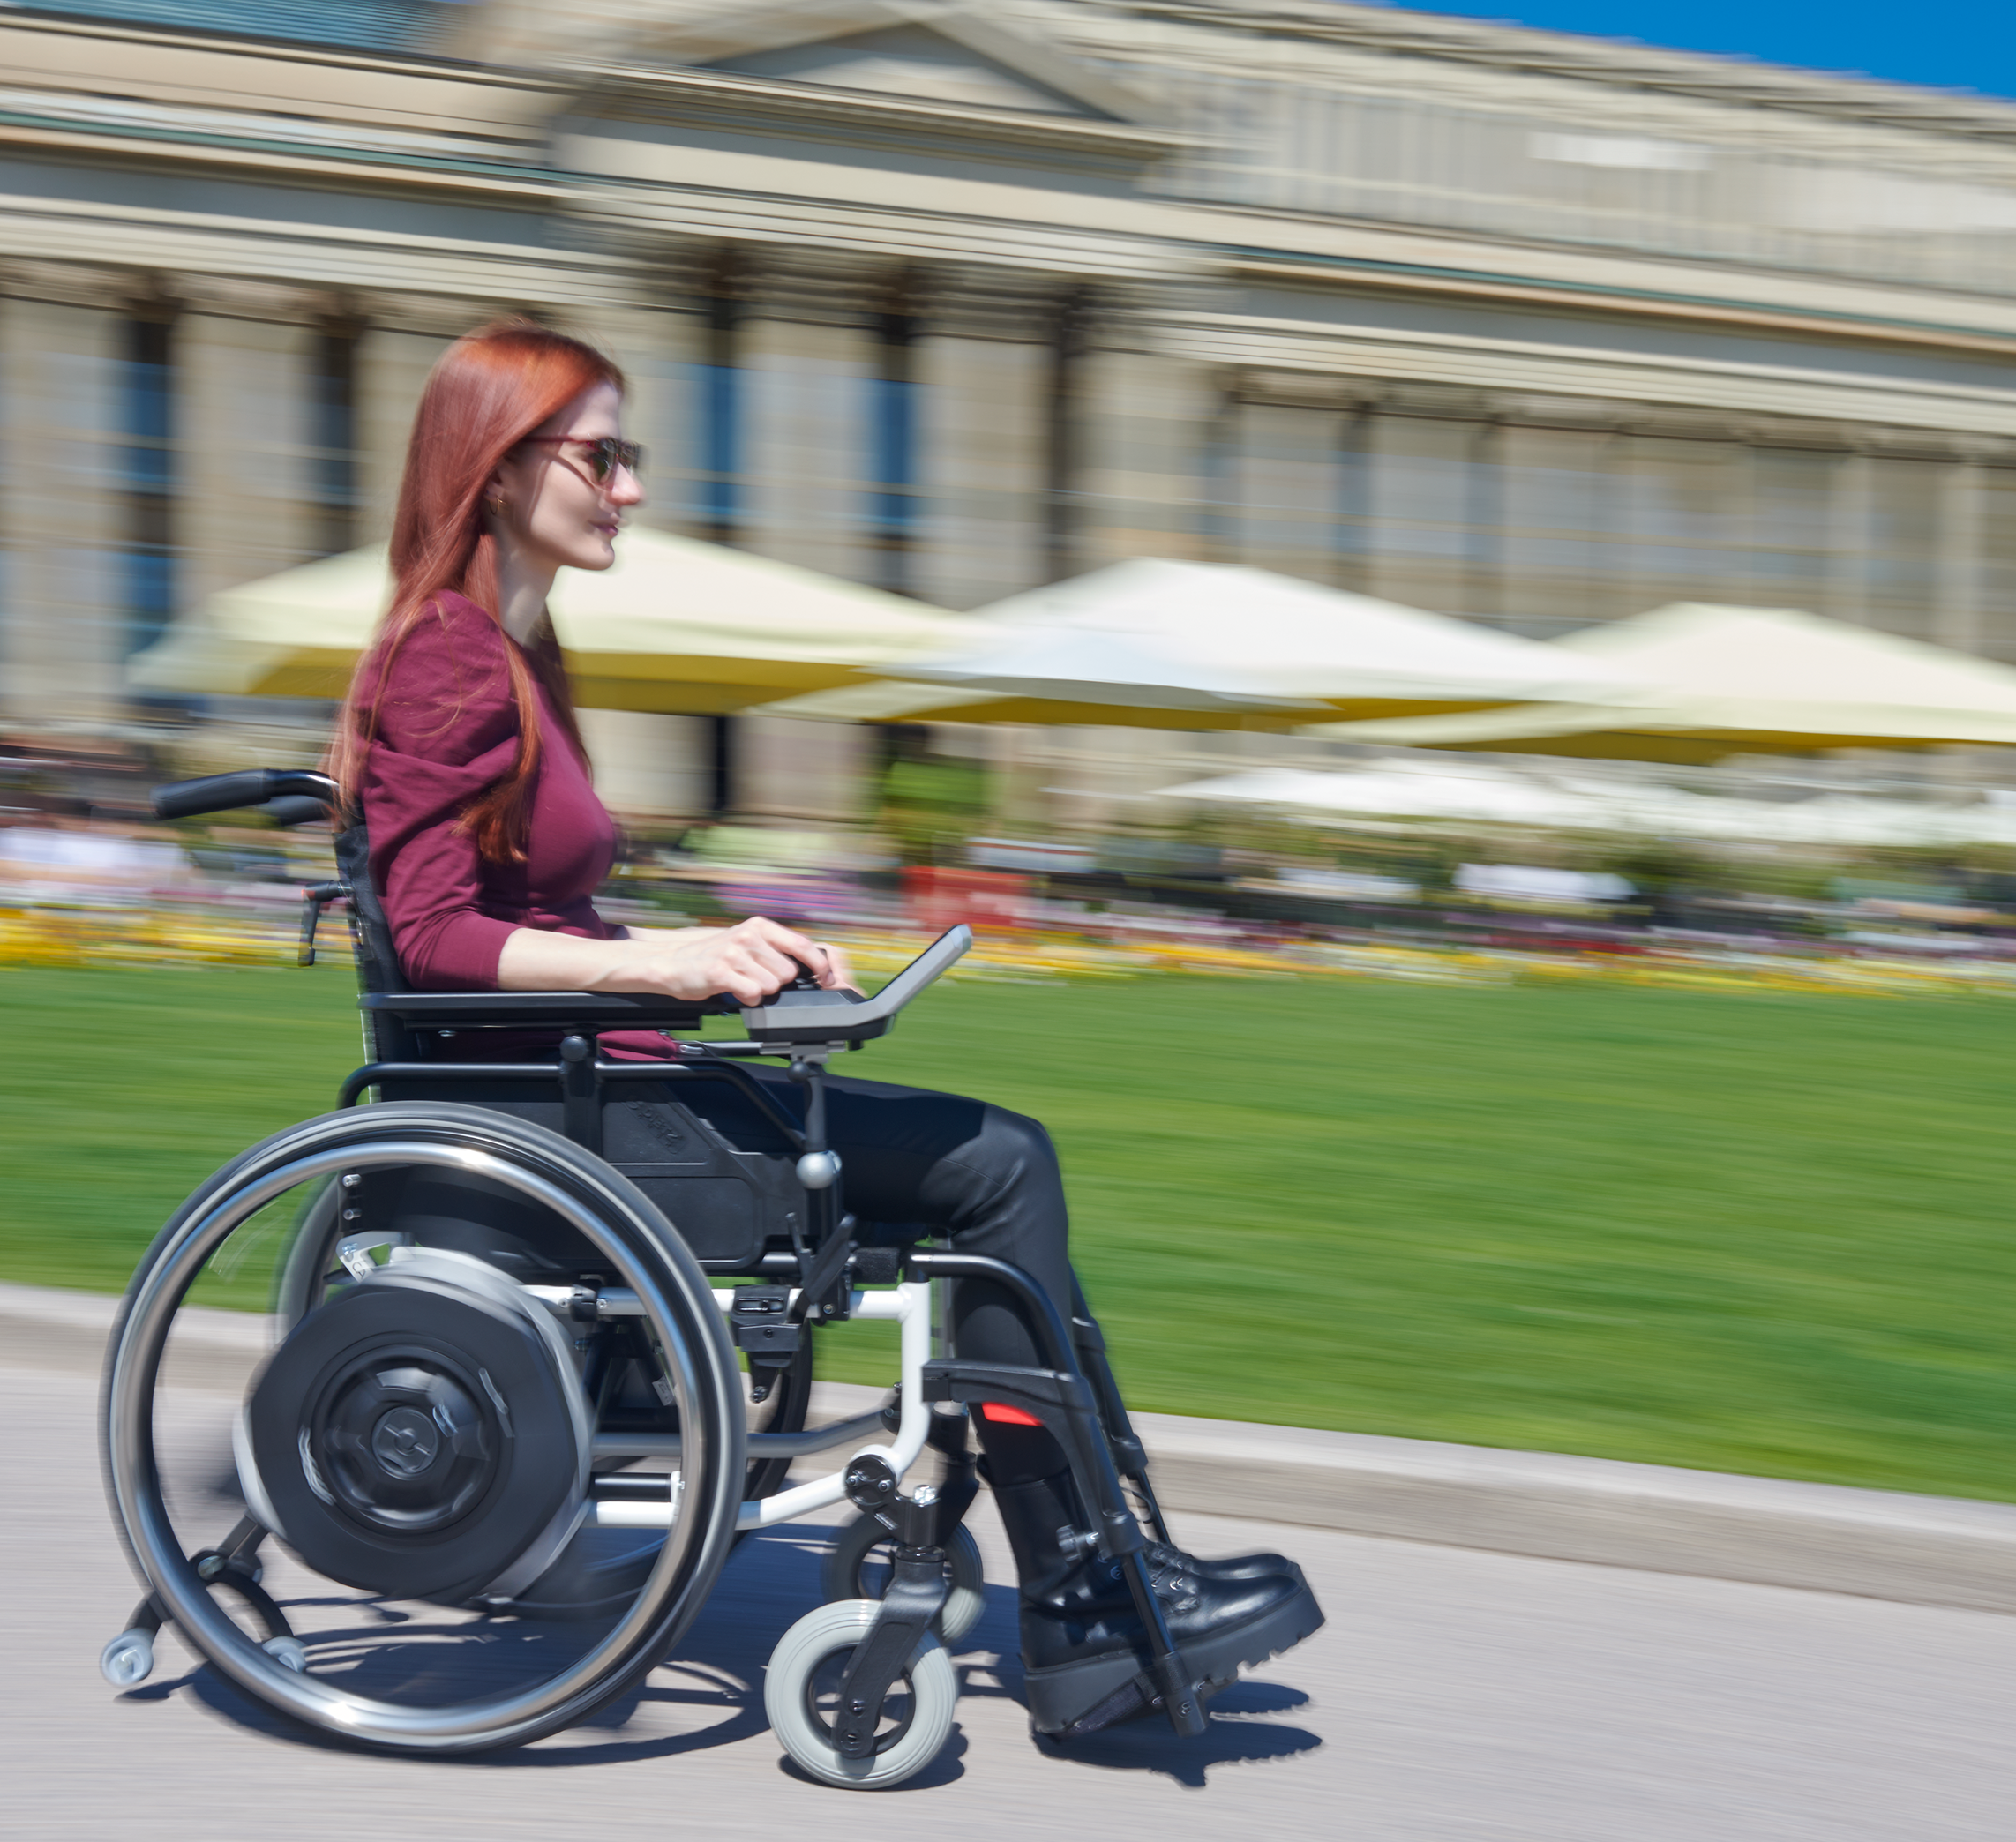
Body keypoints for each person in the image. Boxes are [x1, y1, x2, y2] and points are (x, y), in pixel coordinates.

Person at [322, 318, 1319, 1734]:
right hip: (560, 1121)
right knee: (996, 1163)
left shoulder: (518, 656)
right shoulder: (450, 658)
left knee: (986, 1169)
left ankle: (1096, 1573)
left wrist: (731, 953)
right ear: (494, 470)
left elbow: (523, 907)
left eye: (629, 456)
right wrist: (662, 965)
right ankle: (1088, 1586)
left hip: (590, 1086)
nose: (632, 487)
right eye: (601, 456)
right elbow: (429, 937)